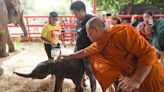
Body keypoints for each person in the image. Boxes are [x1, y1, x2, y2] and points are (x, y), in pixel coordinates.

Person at [58, 17, 164, 92]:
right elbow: (86, 51)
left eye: (88, 32)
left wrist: (136, 79)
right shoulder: (100, 43)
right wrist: (69, 56)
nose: (87, 35)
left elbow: (148, 53)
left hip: (149, 76)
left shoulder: (122, 34)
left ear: (95, 30)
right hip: (131, 81)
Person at [70, 1, 96, 91]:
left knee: (90, 72)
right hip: (78, 50)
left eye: (75, 13)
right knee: (77, 69)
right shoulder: (79, 21)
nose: (75, 15)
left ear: (82, 11)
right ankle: (80, 86)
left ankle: (93, 90)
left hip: (87, 52)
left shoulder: (92, 20)